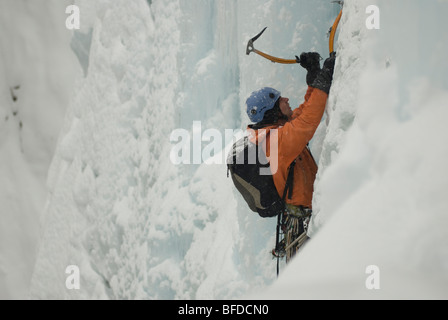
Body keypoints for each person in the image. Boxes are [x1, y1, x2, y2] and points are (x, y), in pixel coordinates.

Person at [245, 52, 336, 261]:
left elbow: (302, 114)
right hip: (304, 221)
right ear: (272, 112)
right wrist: (324, 81)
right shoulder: (275, 142)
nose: (286, 99)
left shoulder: (273, 134)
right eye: (280, 101)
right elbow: (308, 121)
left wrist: (314, 78)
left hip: (301, 217)